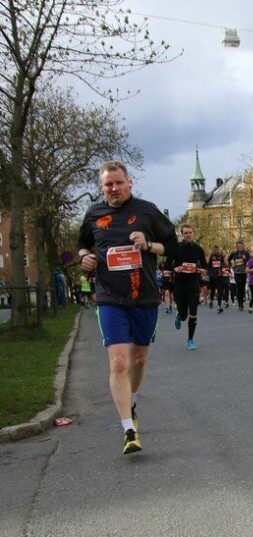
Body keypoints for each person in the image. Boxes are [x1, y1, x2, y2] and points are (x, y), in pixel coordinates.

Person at [77, 160, 177, 454]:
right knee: (119, 362)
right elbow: (82, 244)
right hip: (109, 297)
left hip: (144, 296)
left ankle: (130, 401)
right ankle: (128, 429)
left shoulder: (147, 210)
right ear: (101, 187)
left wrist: (148, 245)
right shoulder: (94, 214)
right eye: (108, 184)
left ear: (129, 183)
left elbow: (171, 247)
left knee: (139, 359)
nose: (114, 188)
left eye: (118, 183)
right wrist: (85, 257)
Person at [168, 224, 207, 350]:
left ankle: (190, 339)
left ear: (193, 233)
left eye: (190, 232)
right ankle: (180, 315)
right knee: (184, 315)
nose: (188, 235)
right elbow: (167, 265)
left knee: (194, 311)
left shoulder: (198, 249)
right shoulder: (176, 248)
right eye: (185, 233)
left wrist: (202, 271)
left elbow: (205, 267)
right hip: (180, 284)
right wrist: (175, 268)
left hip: (193, 284)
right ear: (182, 234)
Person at [228, 240, 250, 311]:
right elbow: (228, 260)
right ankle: (240, 303)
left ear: (243, 246)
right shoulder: (234, 254)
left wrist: (245, 259)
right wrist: (231, 265)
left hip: (244, 272)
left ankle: (242, 298)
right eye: (238, 246)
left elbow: (250, 261)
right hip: (237, 272)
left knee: (242, 287)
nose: (239, 247)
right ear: (236, 246)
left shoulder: (246, 253)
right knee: (239, 286)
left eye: (241, 246)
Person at [207, 244, 228, 313]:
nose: (216, 250)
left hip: (219, 275)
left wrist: (224, 255)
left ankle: (219, 306)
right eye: (214, 249)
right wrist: (209, 254)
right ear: (212, 249)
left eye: (217, 249)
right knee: (212, 290)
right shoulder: (211, 256)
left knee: (220, 291)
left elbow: (226, 263)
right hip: (212, 275)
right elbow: (205, 262)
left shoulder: (220, 256)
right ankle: (211, 301)